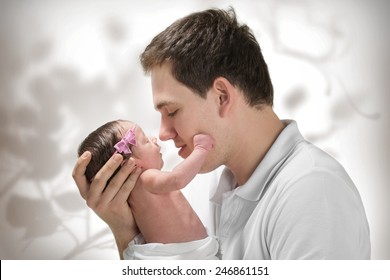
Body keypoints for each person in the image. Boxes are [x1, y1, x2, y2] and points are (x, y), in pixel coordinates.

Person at [73, 7, 371, 259]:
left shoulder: (313, 194)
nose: (163, 134)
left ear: (221, 97)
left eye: (172, 111)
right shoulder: (209, 183)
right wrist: (127, 233)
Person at [76, 119, 218, 259]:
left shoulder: (129, 198)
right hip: (185, 255)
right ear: (130, 164)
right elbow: (177, 179)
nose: (154, 139)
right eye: (145, 141)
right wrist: (201, 149)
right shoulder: (146, 178)